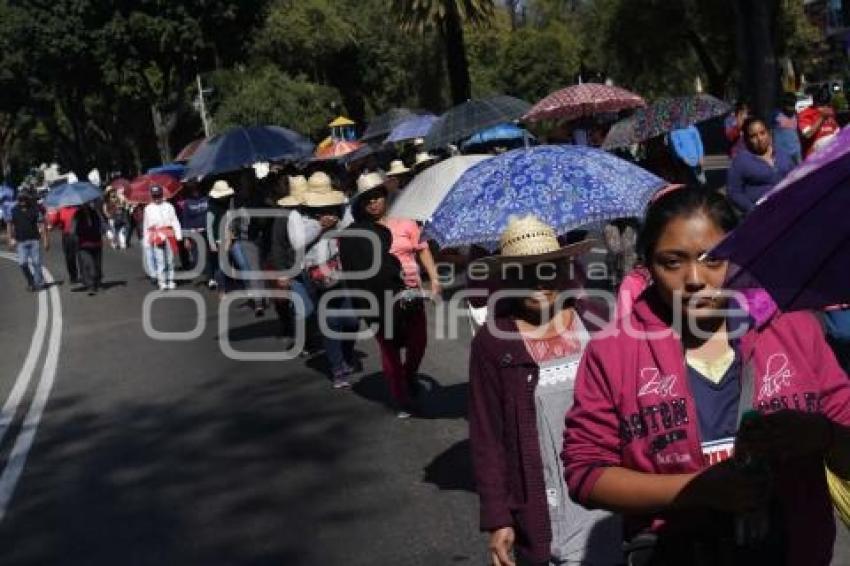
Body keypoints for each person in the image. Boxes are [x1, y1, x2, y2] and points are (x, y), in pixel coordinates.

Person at [563, 187, 850, 566]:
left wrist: (821, 434)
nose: (695, 278)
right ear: (647, 265)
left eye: (712, 258)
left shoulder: (795, 329)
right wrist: (698, 490)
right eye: (673, 261)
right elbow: (586, 473)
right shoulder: (613, 352)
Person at [469, 215, 622, 566]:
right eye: (524, 270)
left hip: (609, 492)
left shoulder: (596, 319)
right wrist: (498, 518)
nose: (538, 281)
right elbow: (487, 435)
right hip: (545, 502)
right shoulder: (493, 343)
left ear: (564, 267)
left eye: (548, 268)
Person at [343, 172, 441, 417]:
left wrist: (435, 278)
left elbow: (422, 250)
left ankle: (409, 376)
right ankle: (401, 398)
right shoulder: (359, 232)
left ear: (385, 197)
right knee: (390, 350)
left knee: (418, 343)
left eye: (377, 197)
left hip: (412, 293)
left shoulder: (406, 222)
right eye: (368, 199)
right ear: (361, 204)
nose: (373, 202)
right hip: (380, 299)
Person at [288, 176, 359, 388]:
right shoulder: (297, 215)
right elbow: (297, 242)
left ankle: (346, 355)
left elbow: (351, 228)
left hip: (343, 270)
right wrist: (319, 226)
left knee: (352, 320)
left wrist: (342, 212)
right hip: (316, 275)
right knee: (330, 322)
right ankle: (337, 368)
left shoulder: (339, 208)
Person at [726, 117, 794, 215]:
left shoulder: (782, 153)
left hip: (789, 208)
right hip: (763, 216)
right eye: (753, 136)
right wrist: (752, 209)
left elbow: (795, 176)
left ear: (769, 133)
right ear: (746, 139)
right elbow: (733, 192)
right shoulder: (741, 161)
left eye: (762, 133)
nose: (759, 139)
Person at [270, 175, 308, 345]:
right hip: (292, 267)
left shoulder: (311, 211)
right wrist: (282, 273)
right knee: (303, 308)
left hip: (312, 266)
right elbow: (277, 245)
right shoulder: (283, 216)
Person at [142, 184, 182, 290]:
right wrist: (146, 241)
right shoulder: (148, 208)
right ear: (152, 196)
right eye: (154, 196)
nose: (157, 198)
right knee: (160, 260)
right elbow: (146, 226)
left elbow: (175, 220)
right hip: (156, 235)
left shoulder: (169, 206)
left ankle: (171, 279)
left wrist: (178, 235)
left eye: (158, 195)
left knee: (170, 259)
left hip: (169, 234)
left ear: (162, 194)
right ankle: (162, 281)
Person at [7, 190, 48, 291]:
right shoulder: (14, 210)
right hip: (21, 242)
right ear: (18, 200)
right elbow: (9, 225)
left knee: (36, 262)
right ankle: (31, 280)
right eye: (20, 199)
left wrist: (46, 240)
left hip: (34, 240)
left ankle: (37, 283)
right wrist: (10, 239)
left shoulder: (34, 209)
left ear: (27, 199)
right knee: (22, 263)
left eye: (24, 199)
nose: (22, 201)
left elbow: (42, 224)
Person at [206, 180, 235, 294]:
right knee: (220, 266)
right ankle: (222, 289)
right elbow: (209, 227)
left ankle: (228, 285)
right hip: (218, 239)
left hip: (228, 237)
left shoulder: (228, 204)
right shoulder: (212, 208)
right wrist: (212, 244)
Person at [179, 183, 210, 281]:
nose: (195, 191)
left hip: (206, 230)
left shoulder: (207, 199)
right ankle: (204, 270)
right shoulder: (187, 203)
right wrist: (186, 238)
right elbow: (185, 220)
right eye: (193, 189)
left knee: (208, 254)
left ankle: (210, 275)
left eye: (197, 189)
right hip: (194, 233)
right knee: (196, 256)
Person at [798, 90, 841, 158]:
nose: (826, 108)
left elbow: (836, 130)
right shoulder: (805, 114)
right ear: (816, 103)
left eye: (827, 105)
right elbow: (807, 134)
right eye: (823, 105)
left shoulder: (830, 112)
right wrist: (822, 117)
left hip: (833, 152)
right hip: (815, 156)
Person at [73, 202, 104, 295]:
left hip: (96, 242)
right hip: (84, 244)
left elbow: (102, 223)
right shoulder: (77, 214)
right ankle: (90, 285)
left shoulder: (95, 212)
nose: (85, 205)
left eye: (86, 203)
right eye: (83, 204)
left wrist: (107, 232)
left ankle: (97, 281)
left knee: (97, 265)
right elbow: (73, 228)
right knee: (89, 264)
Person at [772, 92, 802, 166]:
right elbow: (770, 131)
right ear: (784, 105)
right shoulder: (776, 115)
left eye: (793, 105)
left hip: (796, 151)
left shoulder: (795, 114)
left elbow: (797, 131)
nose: (791, 108)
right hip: (782, 153)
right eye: (789, 105)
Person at [53, 204, 80, 283]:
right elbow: (56, 223)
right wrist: (56, 217)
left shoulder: (77, 209)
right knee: (69, 257)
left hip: (78, 234)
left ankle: (85, 275)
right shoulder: (61, 210)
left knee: (81, 256)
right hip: (67, 235)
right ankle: (73, 276)